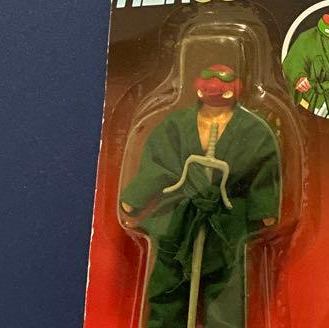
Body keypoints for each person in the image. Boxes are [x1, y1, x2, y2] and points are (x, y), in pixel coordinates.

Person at [120, 65, 281, 328]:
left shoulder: (253, 129)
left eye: (223, 86)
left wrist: (264, 208)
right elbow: (159, 163)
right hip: (180, 216)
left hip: (227, 220)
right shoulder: (177, 124)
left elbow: (263, 169)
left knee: (226, 287)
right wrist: (136, 196)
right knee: (169, 281)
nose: (215, 92)